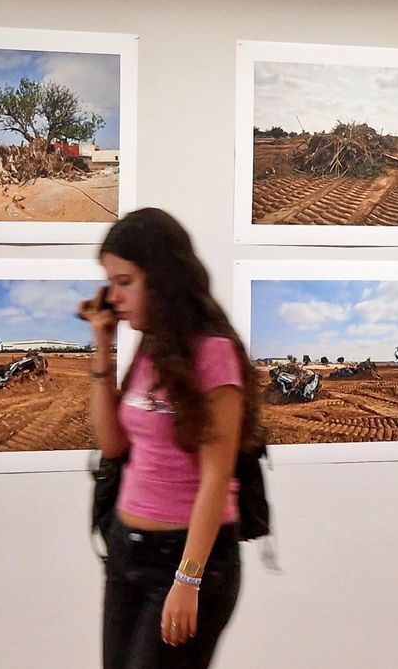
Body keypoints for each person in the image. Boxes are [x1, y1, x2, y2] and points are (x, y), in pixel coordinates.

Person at [78, 207, 263, 668]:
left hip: (185, 561)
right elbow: (114, 445)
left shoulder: (214, 354)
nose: (113, 296)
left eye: (125, 281)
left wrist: (188, 580)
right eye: (111, 282)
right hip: (126, 553)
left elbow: (216, 478)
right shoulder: (149, 348)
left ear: (160, 278)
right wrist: (103, 345)